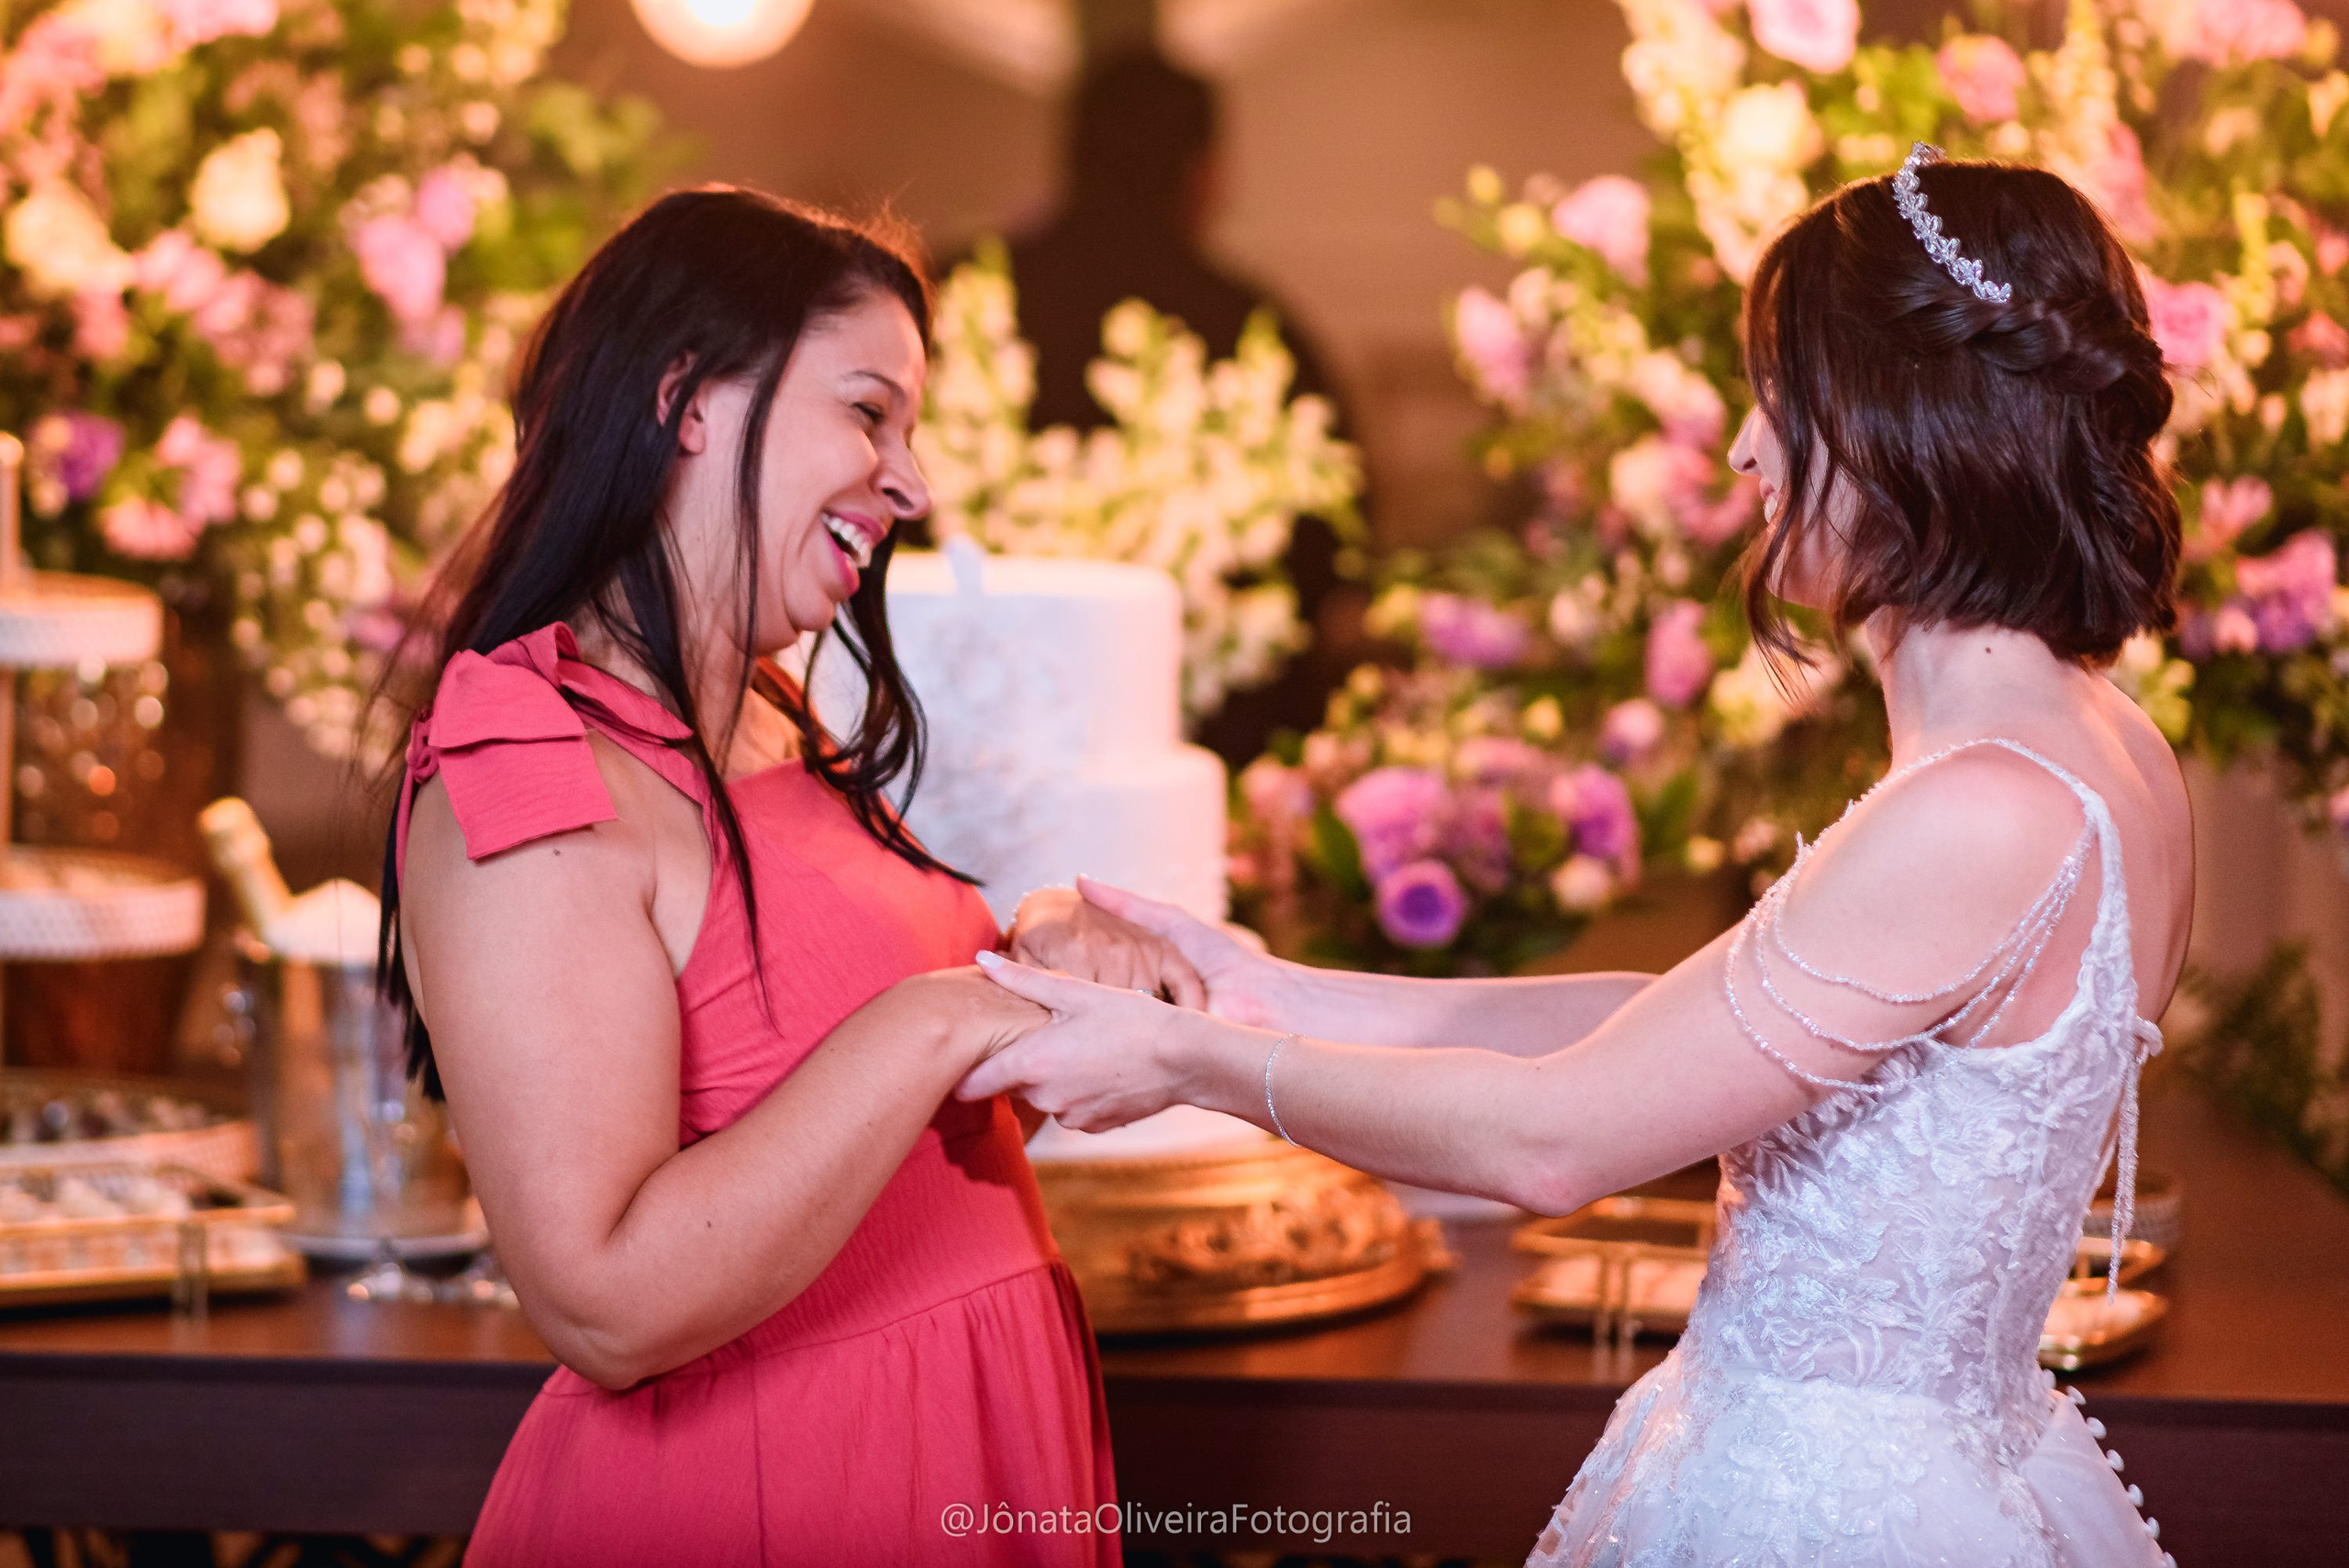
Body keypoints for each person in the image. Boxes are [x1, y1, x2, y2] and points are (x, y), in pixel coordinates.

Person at [962, 148, 2188, 1568]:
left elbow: (1556, 1140)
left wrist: (1195, 1064)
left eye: (1782, 399)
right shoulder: (2104, 745)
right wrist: (1271, 990)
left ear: (1901, 417)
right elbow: (1680, 1033)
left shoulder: (1983, 806)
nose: (1746, 451)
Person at [378, 186, 1195, 1565]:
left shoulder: (771, 718)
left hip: (962, 1443)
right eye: (870, 413)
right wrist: (947, 1014)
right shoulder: (526, 762)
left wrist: (1036, 954)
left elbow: (862, 1123)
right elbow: (603, 1304)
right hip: (765, 1495)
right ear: (688, 399)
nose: (911, 484)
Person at [1002, 47, 1357, 767]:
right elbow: (1333, 562)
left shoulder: (963, 301)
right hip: (1212, 751)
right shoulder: (1259, 333)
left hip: (982, 727)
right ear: (1206, 172)